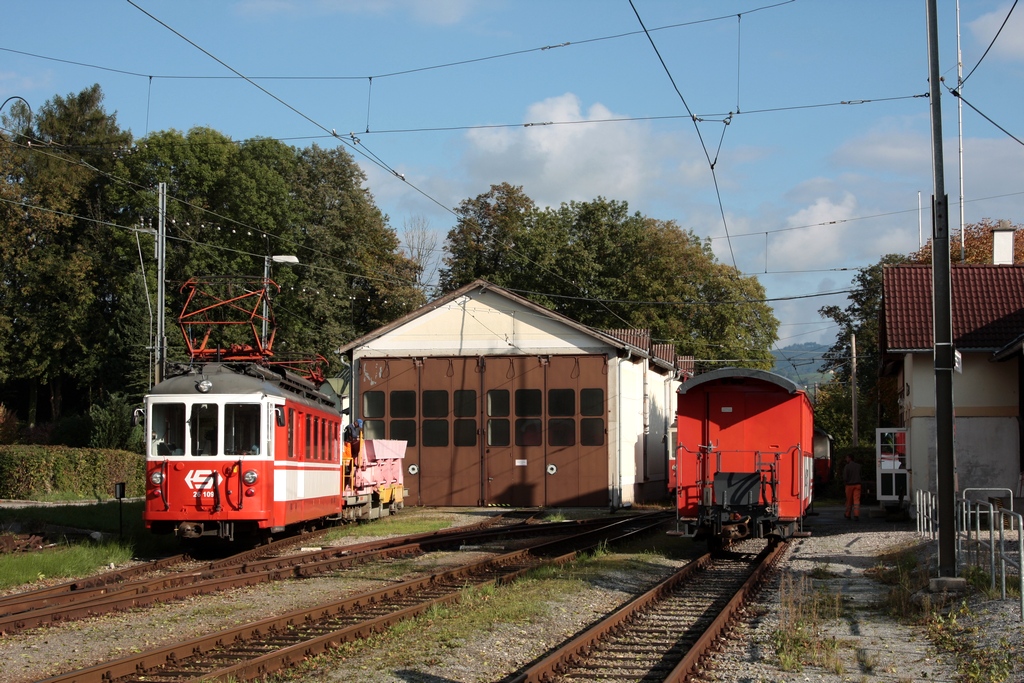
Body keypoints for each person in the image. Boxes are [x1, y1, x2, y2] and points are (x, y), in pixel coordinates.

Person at [843, 454, 862, 521]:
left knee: (849, 501)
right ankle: (856, 514)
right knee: (856, 500)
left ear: (850, 458)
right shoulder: (858, 466)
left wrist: (845, 482)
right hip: (858, 485)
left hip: (849, 485)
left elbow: (845, 477)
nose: (846, 459)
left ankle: (848, 514)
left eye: (847, 458)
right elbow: (860, 475)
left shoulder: (847, 467)